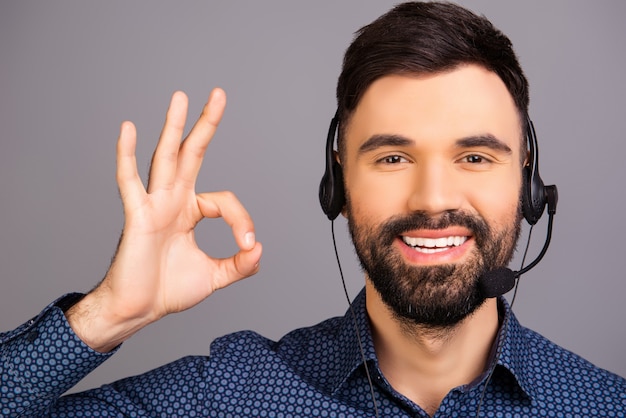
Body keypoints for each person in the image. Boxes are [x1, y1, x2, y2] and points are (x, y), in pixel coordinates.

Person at [1, 2, 624, 417]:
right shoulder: (232, 395)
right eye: (392, 159)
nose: (434, 199)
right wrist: (107, 315)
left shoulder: (601, 405)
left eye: (475, 158)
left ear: (529, 185)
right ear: (337, 185)